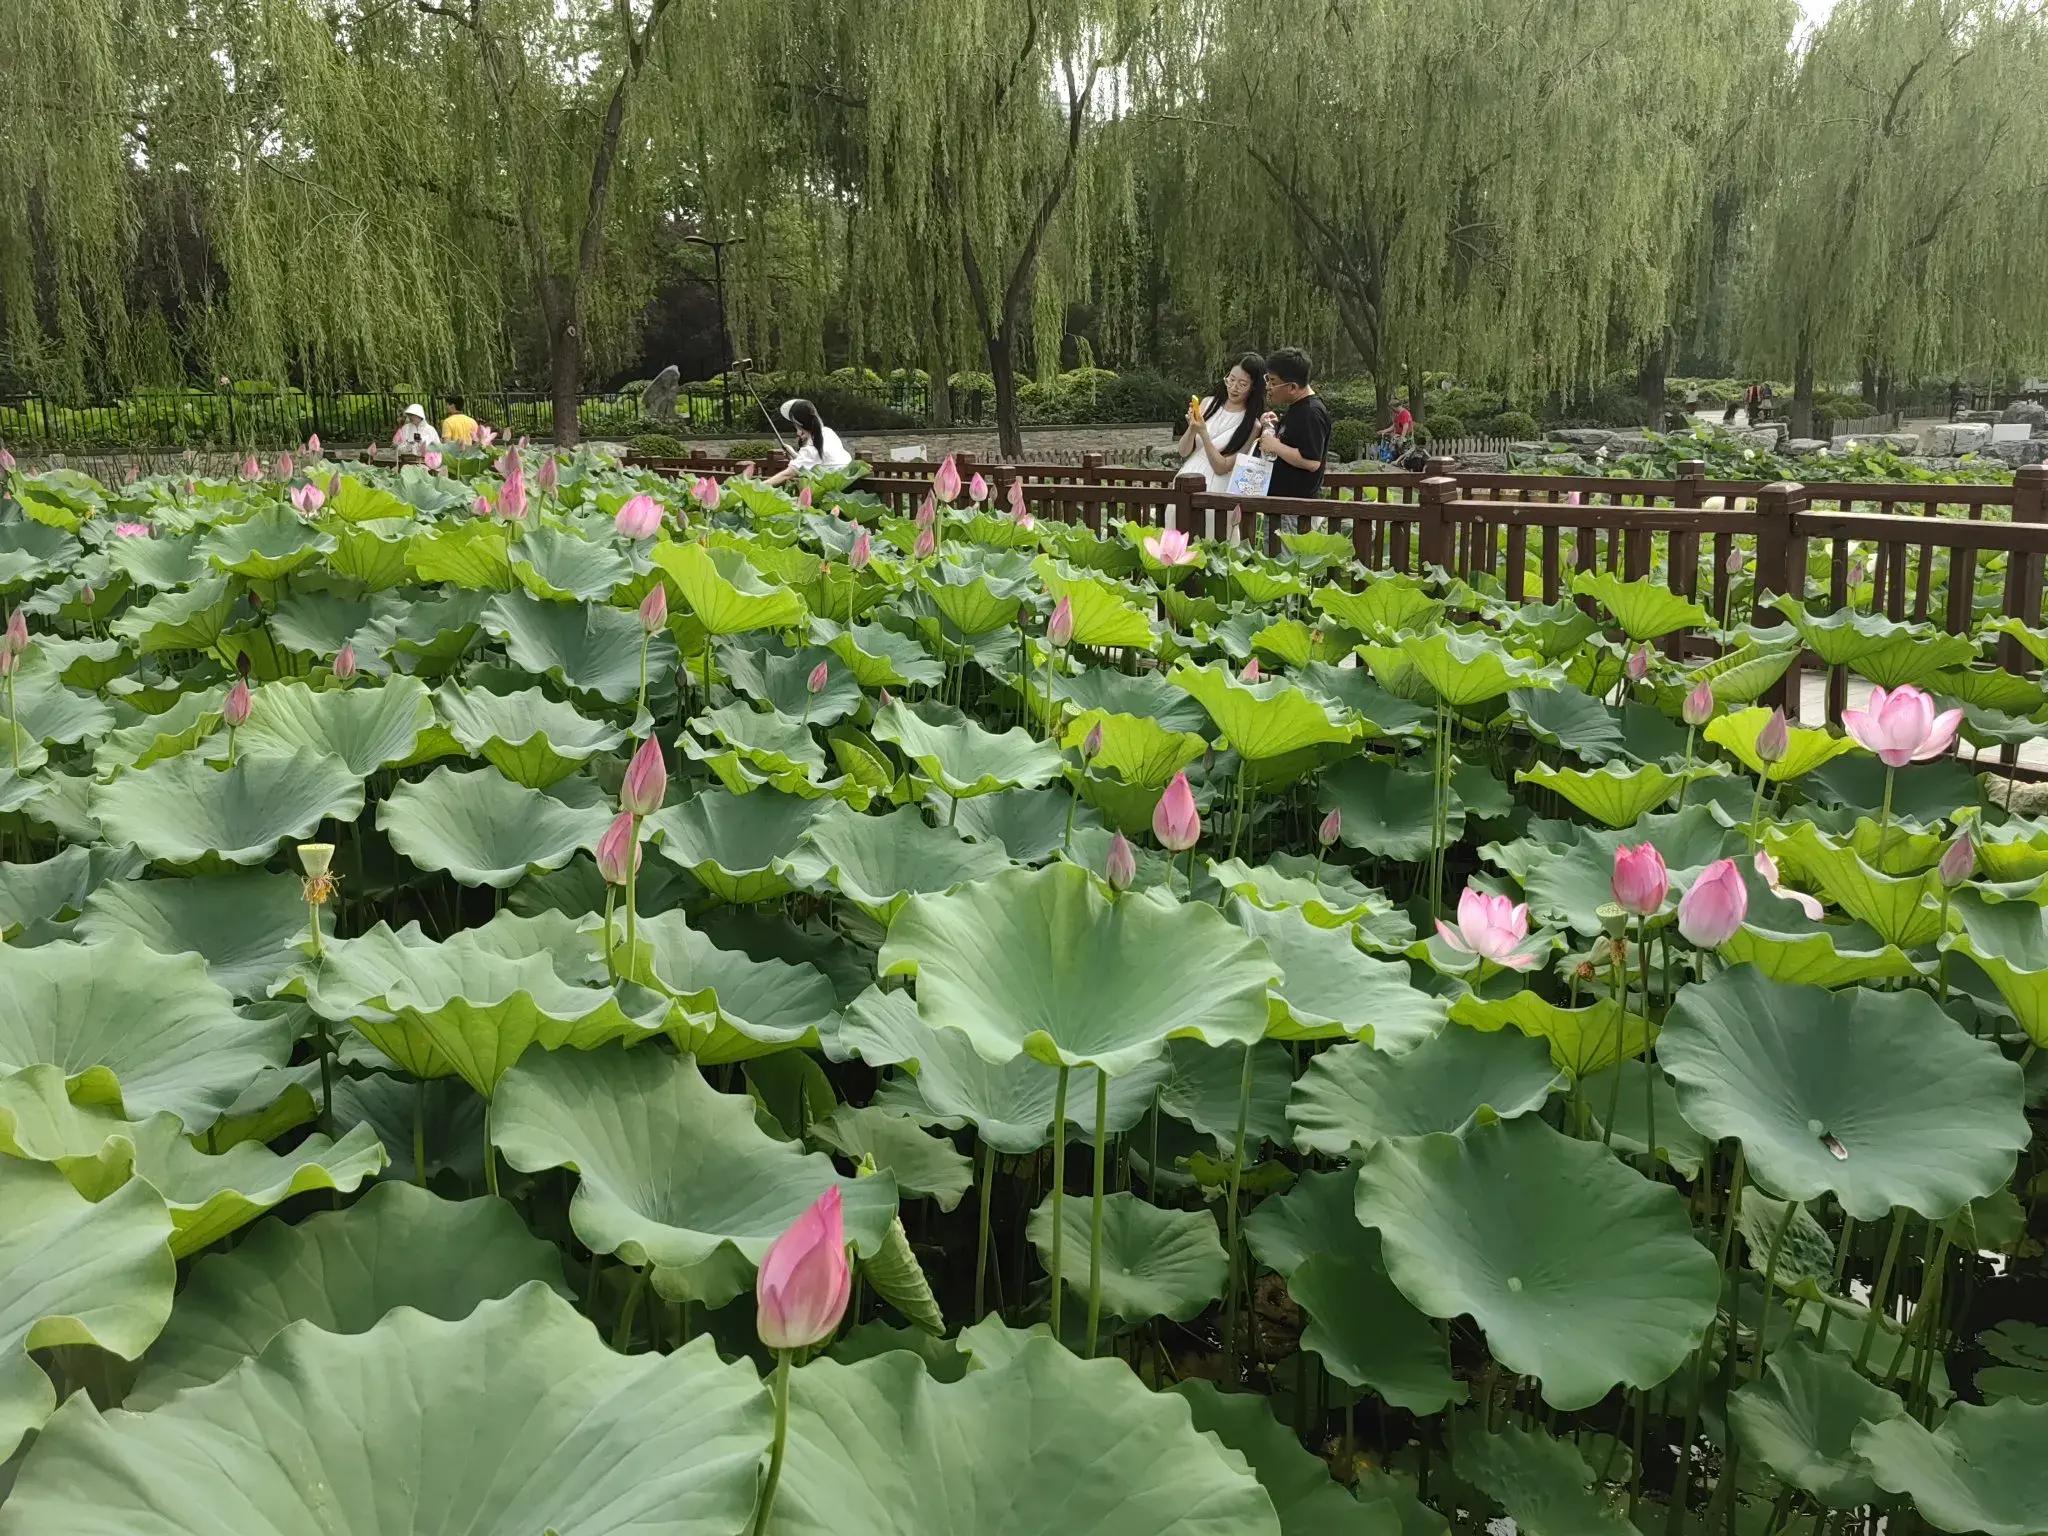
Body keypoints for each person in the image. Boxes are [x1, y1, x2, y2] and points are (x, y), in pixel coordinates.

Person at [1173, 352, 1266, 497]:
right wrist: (1192, 428)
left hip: (1216, 488)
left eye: (1242, 384)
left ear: (1253, 387)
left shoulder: (1253, 425)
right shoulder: (1207, 403)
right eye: (1231, 379)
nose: (1233, 387)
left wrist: (1203, 433)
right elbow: (1183, 451)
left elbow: (1222, 467)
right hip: (1187, 478)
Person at [1258, 348, 1333, 501]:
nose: (1268, 387)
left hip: (1295, 506)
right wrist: (1274, 426)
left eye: (1273, 382)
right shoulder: (1298, 407)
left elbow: (1312, 462)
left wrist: (1275, 446)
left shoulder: (1311, 412)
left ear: (1292, 387)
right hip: (1282, 502)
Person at [763, 398, 851, 487]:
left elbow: (787, 474)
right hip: (846, 484)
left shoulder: (810, 449)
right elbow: (813, 460)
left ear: (798, 425)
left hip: (832, 489)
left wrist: (759, 486)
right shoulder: (828, 432)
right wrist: (792, 452)